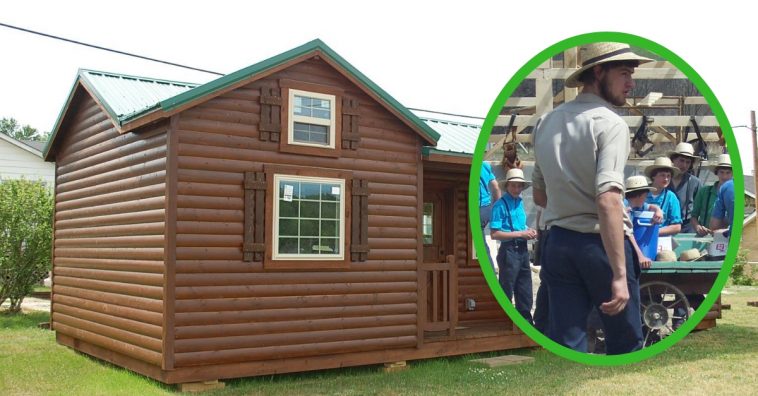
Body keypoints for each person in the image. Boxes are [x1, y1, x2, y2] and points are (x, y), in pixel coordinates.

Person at [532, 42, 650, 354]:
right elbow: (608, 200)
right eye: (624, 73)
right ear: (598, 72)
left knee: (567, 345)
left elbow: (540, 196)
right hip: (602, 246)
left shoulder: (545, 123)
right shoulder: (609, 123)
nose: (631, 83)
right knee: (625, 344)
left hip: (557, 245)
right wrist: (620, 273)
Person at [490, 168, 536, 323]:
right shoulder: (499, 205)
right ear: (507, 186)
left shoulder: (520, 203)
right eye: (513, 185)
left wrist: (528, 231)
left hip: (523, 251)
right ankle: (504, 322)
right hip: (509, 251)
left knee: (525, 290)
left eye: (519, 186)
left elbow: (520, 226)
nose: (516, 189)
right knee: (506, 289)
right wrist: (520, 234)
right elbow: (495, 234)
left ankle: (526, 324)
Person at [691, 154, 733, 236]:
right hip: (705, 236)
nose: (724, 176)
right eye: (722, 172)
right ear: (716, 173)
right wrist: (698, 227)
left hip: (727, 237)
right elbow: (694, 216)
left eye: (728, 173)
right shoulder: (704, 191)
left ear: (732, 174)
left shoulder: (735, 194)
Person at [668, 142, 703, 233]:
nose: (684, 165)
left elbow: (701, 207)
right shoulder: (664, 180)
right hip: (666, 225)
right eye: (681, 160)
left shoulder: (695, 183)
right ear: (673, 160)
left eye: (688, 162)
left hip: (688, 226)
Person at [645, 157, 682, 236]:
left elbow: (677, 226)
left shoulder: (671, 197)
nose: (666, 179)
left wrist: (654, 233)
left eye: (668, 176)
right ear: (653, 176)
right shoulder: (641, 193)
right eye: (662, 175)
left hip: (662, 241)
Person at [479, 161, 502, 271]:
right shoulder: (484, 165)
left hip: (478, 207)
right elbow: (496, 188)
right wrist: (496, 210)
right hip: (486, 208)